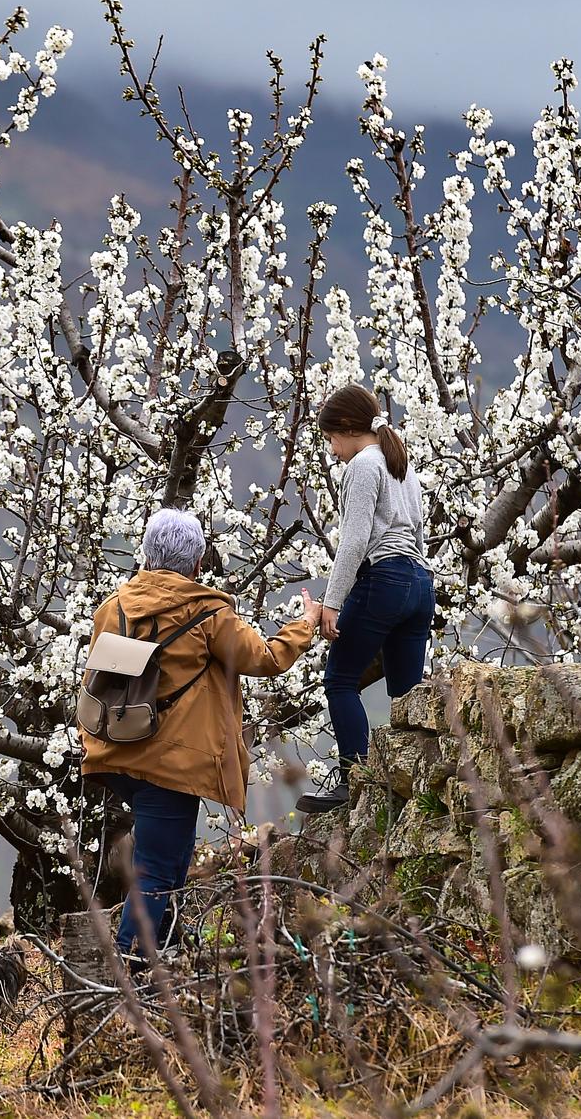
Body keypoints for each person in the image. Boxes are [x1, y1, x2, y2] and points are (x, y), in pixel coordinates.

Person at [80, 507, 320, 955]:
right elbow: (265, 659)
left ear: (147, 554)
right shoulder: (208, 615)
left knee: (168, 855)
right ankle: (129, 971)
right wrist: (305, 624)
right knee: (156, 866)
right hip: (170, 761)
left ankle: (167, 948)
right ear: (196, 564)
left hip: (113, 749)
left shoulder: (113, 607)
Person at [297, 384, 435, 815]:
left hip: (386, 577)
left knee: (339, 679)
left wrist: (332, 603)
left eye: (330, 440)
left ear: (343, 429)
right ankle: (419, 785)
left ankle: (352, 782)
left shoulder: (363, 465)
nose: (333, 451)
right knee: (407, 693)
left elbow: (355, 541)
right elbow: (419, 533)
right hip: (420, 582)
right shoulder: (401, 464)